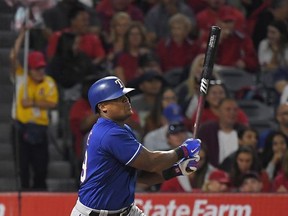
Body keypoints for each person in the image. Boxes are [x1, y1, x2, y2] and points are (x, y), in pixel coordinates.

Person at [70, 76, 201, 215]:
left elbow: (140, 176)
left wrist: (178, 169)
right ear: (103, 107)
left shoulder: (122, 129)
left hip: (124, 210)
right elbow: (151, 162)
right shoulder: (109, 133)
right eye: (118, 98)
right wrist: (183, 151)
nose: (126, 100)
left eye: (125, 96)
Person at [10, 29, 59, 190]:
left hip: (39, 127)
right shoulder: (21, 77)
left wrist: (32, 103)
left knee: (41, 168)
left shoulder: (49, 82)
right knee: (22, 167)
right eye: (37, 69)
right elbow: (13, 56)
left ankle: (40, 196)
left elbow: (52, 103)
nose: (40, 72)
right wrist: (22, 34)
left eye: (42, 68)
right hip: (21, 126)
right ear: (29, 69)